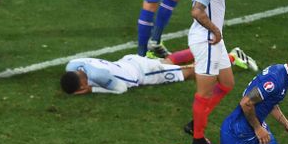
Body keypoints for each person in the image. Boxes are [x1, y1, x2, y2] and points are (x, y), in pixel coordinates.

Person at [184, 0, 236, 144]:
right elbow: (197, 11)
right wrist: (215, 30)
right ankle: (198, 139)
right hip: (207, 40)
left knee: (226, 83)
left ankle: (195, 122)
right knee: (204, 93)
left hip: (214, 40)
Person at [60, 53, 195, 95]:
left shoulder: (98, 76)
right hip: (129, 61)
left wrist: (92, 89)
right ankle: (195, 50)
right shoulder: (71, 65)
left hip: (143, 73)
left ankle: (212, 62)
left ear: (82, 85)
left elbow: (122, 89)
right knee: (167, 62)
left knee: (186, 73)